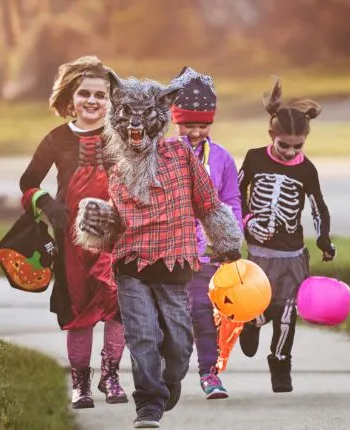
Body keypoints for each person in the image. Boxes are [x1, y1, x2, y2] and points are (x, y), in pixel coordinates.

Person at [73, 71, 244, 429]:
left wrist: (227, 243)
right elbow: (115, 218)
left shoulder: (180, 155)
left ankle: (168, 383)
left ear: (159, 118)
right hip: (131, 264)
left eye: (143, 119)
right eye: (127, 119)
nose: (135, 128)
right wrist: (97, 221)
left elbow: (208, 202)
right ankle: (148, 405)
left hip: (176, 263)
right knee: (143, 337)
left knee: (179, 347)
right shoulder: (115, 163)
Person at [17, 55, 127, 409]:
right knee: (77, 310)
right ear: (70, 99)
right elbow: (28, 181)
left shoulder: (121, 135)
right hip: (72, 241)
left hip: (116, 237)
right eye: (85, 94)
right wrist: (45, 203)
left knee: (118, 307)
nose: (93, 101)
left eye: (101, 95)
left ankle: (111, 376)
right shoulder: (57, 139)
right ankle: (80, 383)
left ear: (111, 100)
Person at [236, 76, 336, 393]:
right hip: (260, 254)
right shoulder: (254, 158)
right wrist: (247, 221)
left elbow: (318, 206)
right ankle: (251, 324)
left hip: (292, 255)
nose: (291, 152)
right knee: (260, 308)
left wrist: (324, 238)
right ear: (271, 135)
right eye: (284, 145)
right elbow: (234, 195)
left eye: (298, 146)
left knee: (287, 312)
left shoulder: (306, 169)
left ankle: (280, 363)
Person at [168, 66, 243, 400]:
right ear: (174, 120)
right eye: (188, 125)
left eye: (202, 125)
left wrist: (227, 240)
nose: (195, 132)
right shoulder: (162, 153)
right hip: (167, 252)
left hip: (204, 254)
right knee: (170, 320)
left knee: (203, 313)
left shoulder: (222, 158)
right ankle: (167, 375)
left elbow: (231, 200)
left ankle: (209, 374)